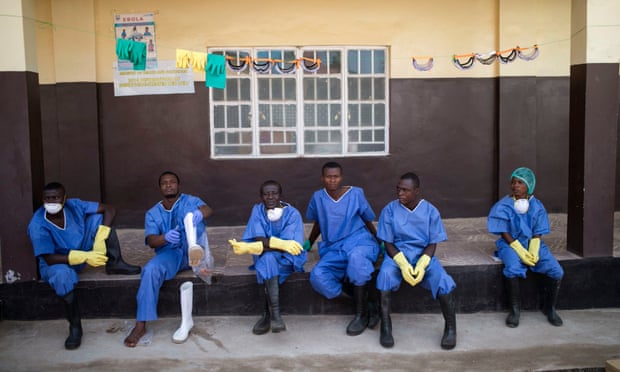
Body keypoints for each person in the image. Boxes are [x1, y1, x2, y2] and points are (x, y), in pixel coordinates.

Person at [27, 182, 141, 350]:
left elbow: (109, 209)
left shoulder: (74, 205)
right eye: (47, 198)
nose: (52, 202)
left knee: (100, 219)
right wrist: (85, 256)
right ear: (42, 200)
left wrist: (101, 237)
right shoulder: (37, 224)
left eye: (56, 197)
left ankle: (115, 263)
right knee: (62, 277)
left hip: (81, 249)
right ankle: (75, 327)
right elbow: (49, 258)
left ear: (64, 198)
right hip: (58, 263)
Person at [124, 171, 213, 347]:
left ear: (178, 185)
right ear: (160, 188)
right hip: (170, 254)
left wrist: (200, 214)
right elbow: (151, 241)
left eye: (172, 182)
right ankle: (140, 325)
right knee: (150, 270)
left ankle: (197, 257)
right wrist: (165, 237)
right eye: (164, 183)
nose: (168, 185)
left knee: (193, 225)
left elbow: (208, 209)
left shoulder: (190, 200)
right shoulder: (152, 213)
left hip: (192, 247)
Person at [375, 172, 457, 350]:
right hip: (397, 255)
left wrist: (422, 264)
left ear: (417, 191)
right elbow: (387, 242)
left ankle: (450, 328)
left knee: (442, 281)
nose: (400, 193)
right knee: (385, 276)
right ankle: (386, 327)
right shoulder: (389, 210)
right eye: (398, 189)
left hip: (423, 255)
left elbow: (432, 242)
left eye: (406, 190)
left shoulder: (430, 211)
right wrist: (402, 263)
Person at [305, 161, 380, 336]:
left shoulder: (356, 193)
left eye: (336, 176)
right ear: (322, 178)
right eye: (328, 177)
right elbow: (319, 222)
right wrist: (309, 242)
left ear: (341, 177)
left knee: (357, 260)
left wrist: (380, 240)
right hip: (334, 248)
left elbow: (367, 219)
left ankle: (360, 316)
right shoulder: (318, 197)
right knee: (318, 276)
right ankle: (365, 304)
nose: (332, 180)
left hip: (359, 241)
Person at [488, 167, 564, 328]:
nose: (516, 186)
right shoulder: (503, 206)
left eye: (520, 183)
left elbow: (538, 231)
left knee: (556, 270)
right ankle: (515, 311)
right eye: (513, 182)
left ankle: (550, 309)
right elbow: (503, 231)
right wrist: (518, 248)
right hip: (510, 243)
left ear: (529, 185)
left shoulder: (537, 206)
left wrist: (534, 249)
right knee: (513, 267)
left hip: (532, 242)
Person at [228, 180, 307, 334]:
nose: (270, 197)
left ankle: (267, 314)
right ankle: (274, 317)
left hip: (288, 257)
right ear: (261, 196)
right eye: (266, 194)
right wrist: (274, 244)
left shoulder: (292, 214)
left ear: (280, 195)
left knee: (266, 261)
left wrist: (263, 245)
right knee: (268, 259)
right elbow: (258, 238)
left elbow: (289, 246)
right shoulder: (257, 210)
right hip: (265, 254)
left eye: (274, 193)